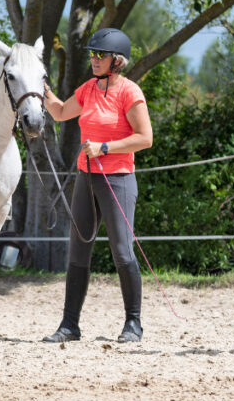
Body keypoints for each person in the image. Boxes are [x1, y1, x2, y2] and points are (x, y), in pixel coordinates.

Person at [40, 28, 153, 343]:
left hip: (117, 179)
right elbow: (61, 112)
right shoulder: (89, 89)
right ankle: (69, 325)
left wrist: (105, 147)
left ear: (116, 60)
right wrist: (42, 91)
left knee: (122, 252)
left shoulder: (129, 92)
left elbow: (145, 138)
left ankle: (133, 324)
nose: (94, 59)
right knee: (78, 252)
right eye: (92, 54)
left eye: (100, 54)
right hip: (86, 177)